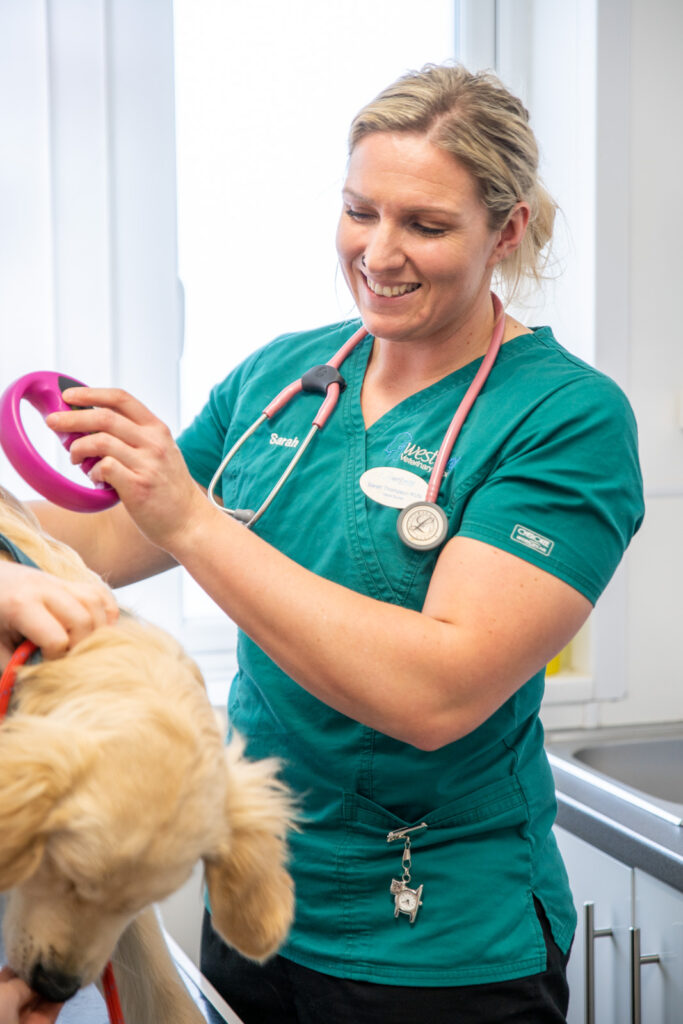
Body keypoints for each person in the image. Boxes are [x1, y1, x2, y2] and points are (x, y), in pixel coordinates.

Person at [28, 63, 643, 1023]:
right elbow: (103, 541)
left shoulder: (566, 418)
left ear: (508, 229)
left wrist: (190, 516)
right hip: (257, 904)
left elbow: (434, 692)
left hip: (440, 941)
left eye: (425, 226)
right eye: (361, 212)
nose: (379, 252)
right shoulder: (285, 375)